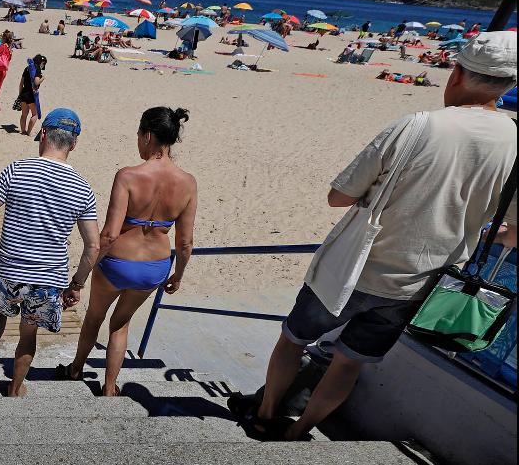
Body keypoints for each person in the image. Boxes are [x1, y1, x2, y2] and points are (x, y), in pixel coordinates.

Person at [235, 31, 518, 442]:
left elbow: (338, 196)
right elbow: (511, 234)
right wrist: (469, 224)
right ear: (509, 85)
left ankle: (264, 414)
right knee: (348, 364)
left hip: (352, 271)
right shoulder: (514, 144)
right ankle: (300, 430)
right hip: (421, 282)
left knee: (293, 340)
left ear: (455, 73)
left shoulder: (418, 126)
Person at [59, 107, 197, 395]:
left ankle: (75, 370)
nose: (137, 141)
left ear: (147, 135)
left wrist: (79, 279)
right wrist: (178, 275)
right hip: (155, 266)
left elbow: (108, 235)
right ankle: (110, 387)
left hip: (118, 262)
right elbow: (185, 243)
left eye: (138, 134)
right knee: (121, 324)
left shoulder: (128, 176)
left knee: (94, 318)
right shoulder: (188, 182)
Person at [0, 108, 100, 396]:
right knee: (29, 332)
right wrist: (76, 284)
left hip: (8, 269)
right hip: (47, 277)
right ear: (74, 144)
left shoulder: (16, 169)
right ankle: (15, 388)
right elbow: (93, 246)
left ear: (42, 135)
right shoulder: (83, 188)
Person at [17, 55, 46, 135]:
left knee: (24, 114)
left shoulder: (27, 68)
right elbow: (36, 82)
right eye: (43, 64)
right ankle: (28, 132)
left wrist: (20, 95)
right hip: (31, 95)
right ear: (41, 62)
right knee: (35, 115)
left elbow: (21, 83)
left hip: (24, 92)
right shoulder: (37, 69)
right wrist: (43, 78)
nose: (43, 66)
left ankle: (23, 131)